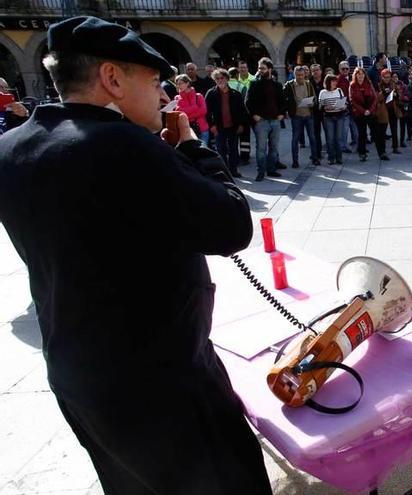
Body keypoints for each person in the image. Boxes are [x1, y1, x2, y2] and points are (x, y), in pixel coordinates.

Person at [0, 16, 271, 493]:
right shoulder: (127, 147)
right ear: (112, 78)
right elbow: (232, 224)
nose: (164, 95)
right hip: (164, 386)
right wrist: (191, 149)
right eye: (154, 80)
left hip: (79, 373)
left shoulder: (10, 148)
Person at [245, 57, 285, 181]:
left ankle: (271, 170)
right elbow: (247, 102)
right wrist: (254, 114)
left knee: (274, 147)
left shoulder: (277, 85)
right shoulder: (254, 84)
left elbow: (282, 101)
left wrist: (282, 113)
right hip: (261, 121)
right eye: (259, 68)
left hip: (275, 121)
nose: (260, 70)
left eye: (263, 68)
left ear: (270, 69)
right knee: (261, 148)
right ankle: (261, 172)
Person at [205, 68, 249, 177]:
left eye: (222, 78)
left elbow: (242, 111)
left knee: (234, 150)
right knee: (221, 151)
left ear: (227, 79)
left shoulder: (236, 94)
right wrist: (212, 126)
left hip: (233, 127)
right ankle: (225, 172)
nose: (220, 80)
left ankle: (233, 170)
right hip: (219, 127)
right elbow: (207, 112)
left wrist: (241, 125)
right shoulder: (211, 93)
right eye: (217, 78)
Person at [283, 65, 320, 168]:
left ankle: (315, 158)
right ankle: (295, 160)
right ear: (294, 75)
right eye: (298, 75)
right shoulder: (289, 85)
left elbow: (314, 98)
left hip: (308, 115)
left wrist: (312, 103)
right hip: (296, 116)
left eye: (302, 75)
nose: (300, 77)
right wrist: (286, 110)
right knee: (295, 139)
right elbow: (283, 98)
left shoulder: (308, 84)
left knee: (312, 137)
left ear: (305, 75)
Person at [350, 66, 387, 161]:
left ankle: (382, 153)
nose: (360, 76)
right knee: (362, 134)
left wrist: (370, 110)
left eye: (362, 74)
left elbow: (375, 98)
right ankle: (362, 154)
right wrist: (363, 111)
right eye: (358, 74)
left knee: (377, 133)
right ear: (355, 75)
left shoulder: (369, 84)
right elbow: (352, 101)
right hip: (359, 113)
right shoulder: (352, 86)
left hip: (371, 111)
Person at [318, 74, 347, 165]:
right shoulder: (323, 92)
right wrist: (325, 107)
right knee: (330, 139)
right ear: (328, 82)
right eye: (333, 81)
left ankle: (339, 158)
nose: (335, 83)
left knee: (338, 138)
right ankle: (331, 158)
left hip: (339, 116)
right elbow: (320, 106)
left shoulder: (339, 90)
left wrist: (344, 106)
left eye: (335, 81)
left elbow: (345, 102)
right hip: (328, 117)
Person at [174, 74, 209, 143]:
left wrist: (186, 114)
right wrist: (194, 107)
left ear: (187, 83)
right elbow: (179, 113)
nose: (178, 86)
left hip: (202, 129)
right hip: (187, 131)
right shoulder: (177, 98)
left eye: (180, 83)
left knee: (204, 152)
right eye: (177, 84)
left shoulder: (198, 96)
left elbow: (203, 111)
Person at [379, 68, 403, 154]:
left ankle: (395, 147)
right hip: (383, 110)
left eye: (388, 77)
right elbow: (377, 98)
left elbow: (399, 95)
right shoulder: (379, 85)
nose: (387, 79)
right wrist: (383, 93)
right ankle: (382, 150)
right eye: (385, 77)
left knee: (394, 129)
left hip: (392, 109)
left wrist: (396, 95)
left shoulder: (393, 84)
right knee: (382, 131)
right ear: (382, 77)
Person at [337, 60, 355, 153]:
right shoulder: (338, 80)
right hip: (345, 109)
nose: (345, 70)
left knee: (355, 129)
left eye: (346, 68)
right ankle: (343, 146)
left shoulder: (352, 78)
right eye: (343, 68)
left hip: (353, 108)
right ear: (339, 69)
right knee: (344, 129)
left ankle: (357, 145)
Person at [309, 64, 325, 161]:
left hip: (325, 110)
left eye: (317, 70)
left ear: (321, 71)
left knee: (328, 133)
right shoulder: (309, 82)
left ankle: (331, 152)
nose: (315, 72)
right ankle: (317, 153)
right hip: (313, 111)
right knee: (316, 133)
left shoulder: (325, 81)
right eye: (313, 70)